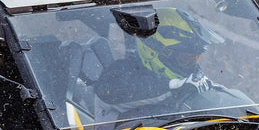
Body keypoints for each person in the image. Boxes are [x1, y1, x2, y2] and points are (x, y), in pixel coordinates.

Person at [93, 8, 222, 108]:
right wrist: (174, 86)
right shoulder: (118, 75)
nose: (191, 65)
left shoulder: (187, 80)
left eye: (196, 58)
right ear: (153, 51)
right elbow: (109, 94)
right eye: (185, 59)